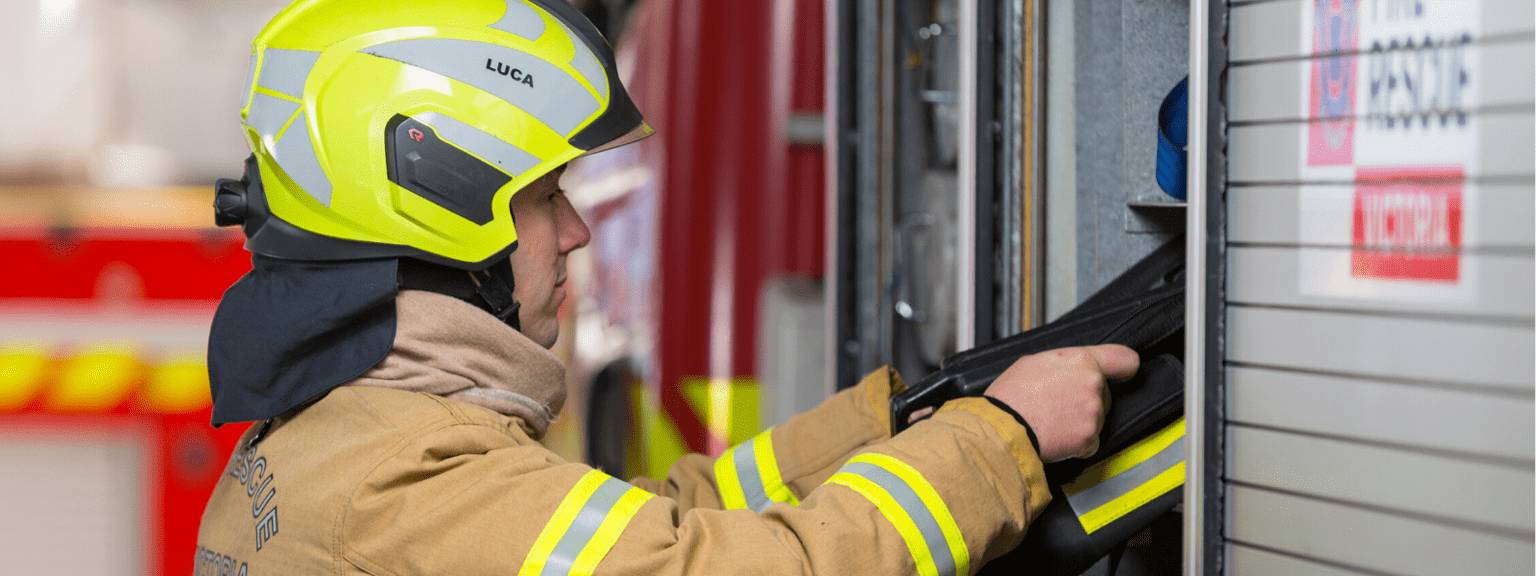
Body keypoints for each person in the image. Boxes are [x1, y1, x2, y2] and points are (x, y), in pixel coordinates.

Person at [194, 1, 1139, 575]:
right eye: (546, 196)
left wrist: (897, 422)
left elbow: (664, 524)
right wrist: (997, 441)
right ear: (440, 204)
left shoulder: (346, 445)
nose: (577, 230)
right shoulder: (409, 489)